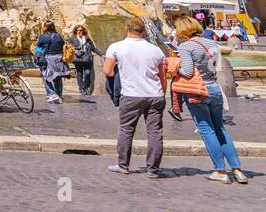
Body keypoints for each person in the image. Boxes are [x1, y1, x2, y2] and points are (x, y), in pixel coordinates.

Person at [172, 14, 247, 184]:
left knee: (206, 130)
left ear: (182, 30)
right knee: (220, 128)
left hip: (197, 92)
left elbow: (188, 72)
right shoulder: (213, 43)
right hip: (214, 89)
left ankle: (220, 171)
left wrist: (175, 67)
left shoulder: (186, 46)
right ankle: (237, 169)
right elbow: (217, 68)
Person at [104, 18, 168, 178]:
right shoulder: (156, 50)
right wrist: (162, 93)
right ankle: (153, 169)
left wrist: (120, 73)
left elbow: (107, 71)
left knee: (126, 130)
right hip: (155, 95)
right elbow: (163, 77)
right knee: (155, 132)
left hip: (131, 95)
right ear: (143, 31)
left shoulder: (116, 47)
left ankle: (123, 165)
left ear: (126, 29)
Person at [35, 21, 69, 104]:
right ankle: (59, 95)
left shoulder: (43, 36)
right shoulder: (59, 35)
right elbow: (62, 45)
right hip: (59, 59)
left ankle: (51, 94)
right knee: (57, 78)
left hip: (49, 59)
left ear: (46, 27)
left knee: (45, 77)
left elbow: (38, 46)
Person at [67, 24, 103, 98]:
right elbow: (68, 47)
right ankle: (82, 88)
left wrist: (101, 54)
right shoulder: (72, 39)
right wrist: (75, 50)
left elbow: (93, 48)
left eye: (81, 30)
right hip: (78, 59)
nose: (79, 32)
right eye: (78, 30)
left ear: (83, 31)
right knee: (79, 74)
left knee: (87, 73)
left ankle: (85, 87)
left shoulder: (87, 38)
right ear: (75, 31)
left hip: (87, 59)